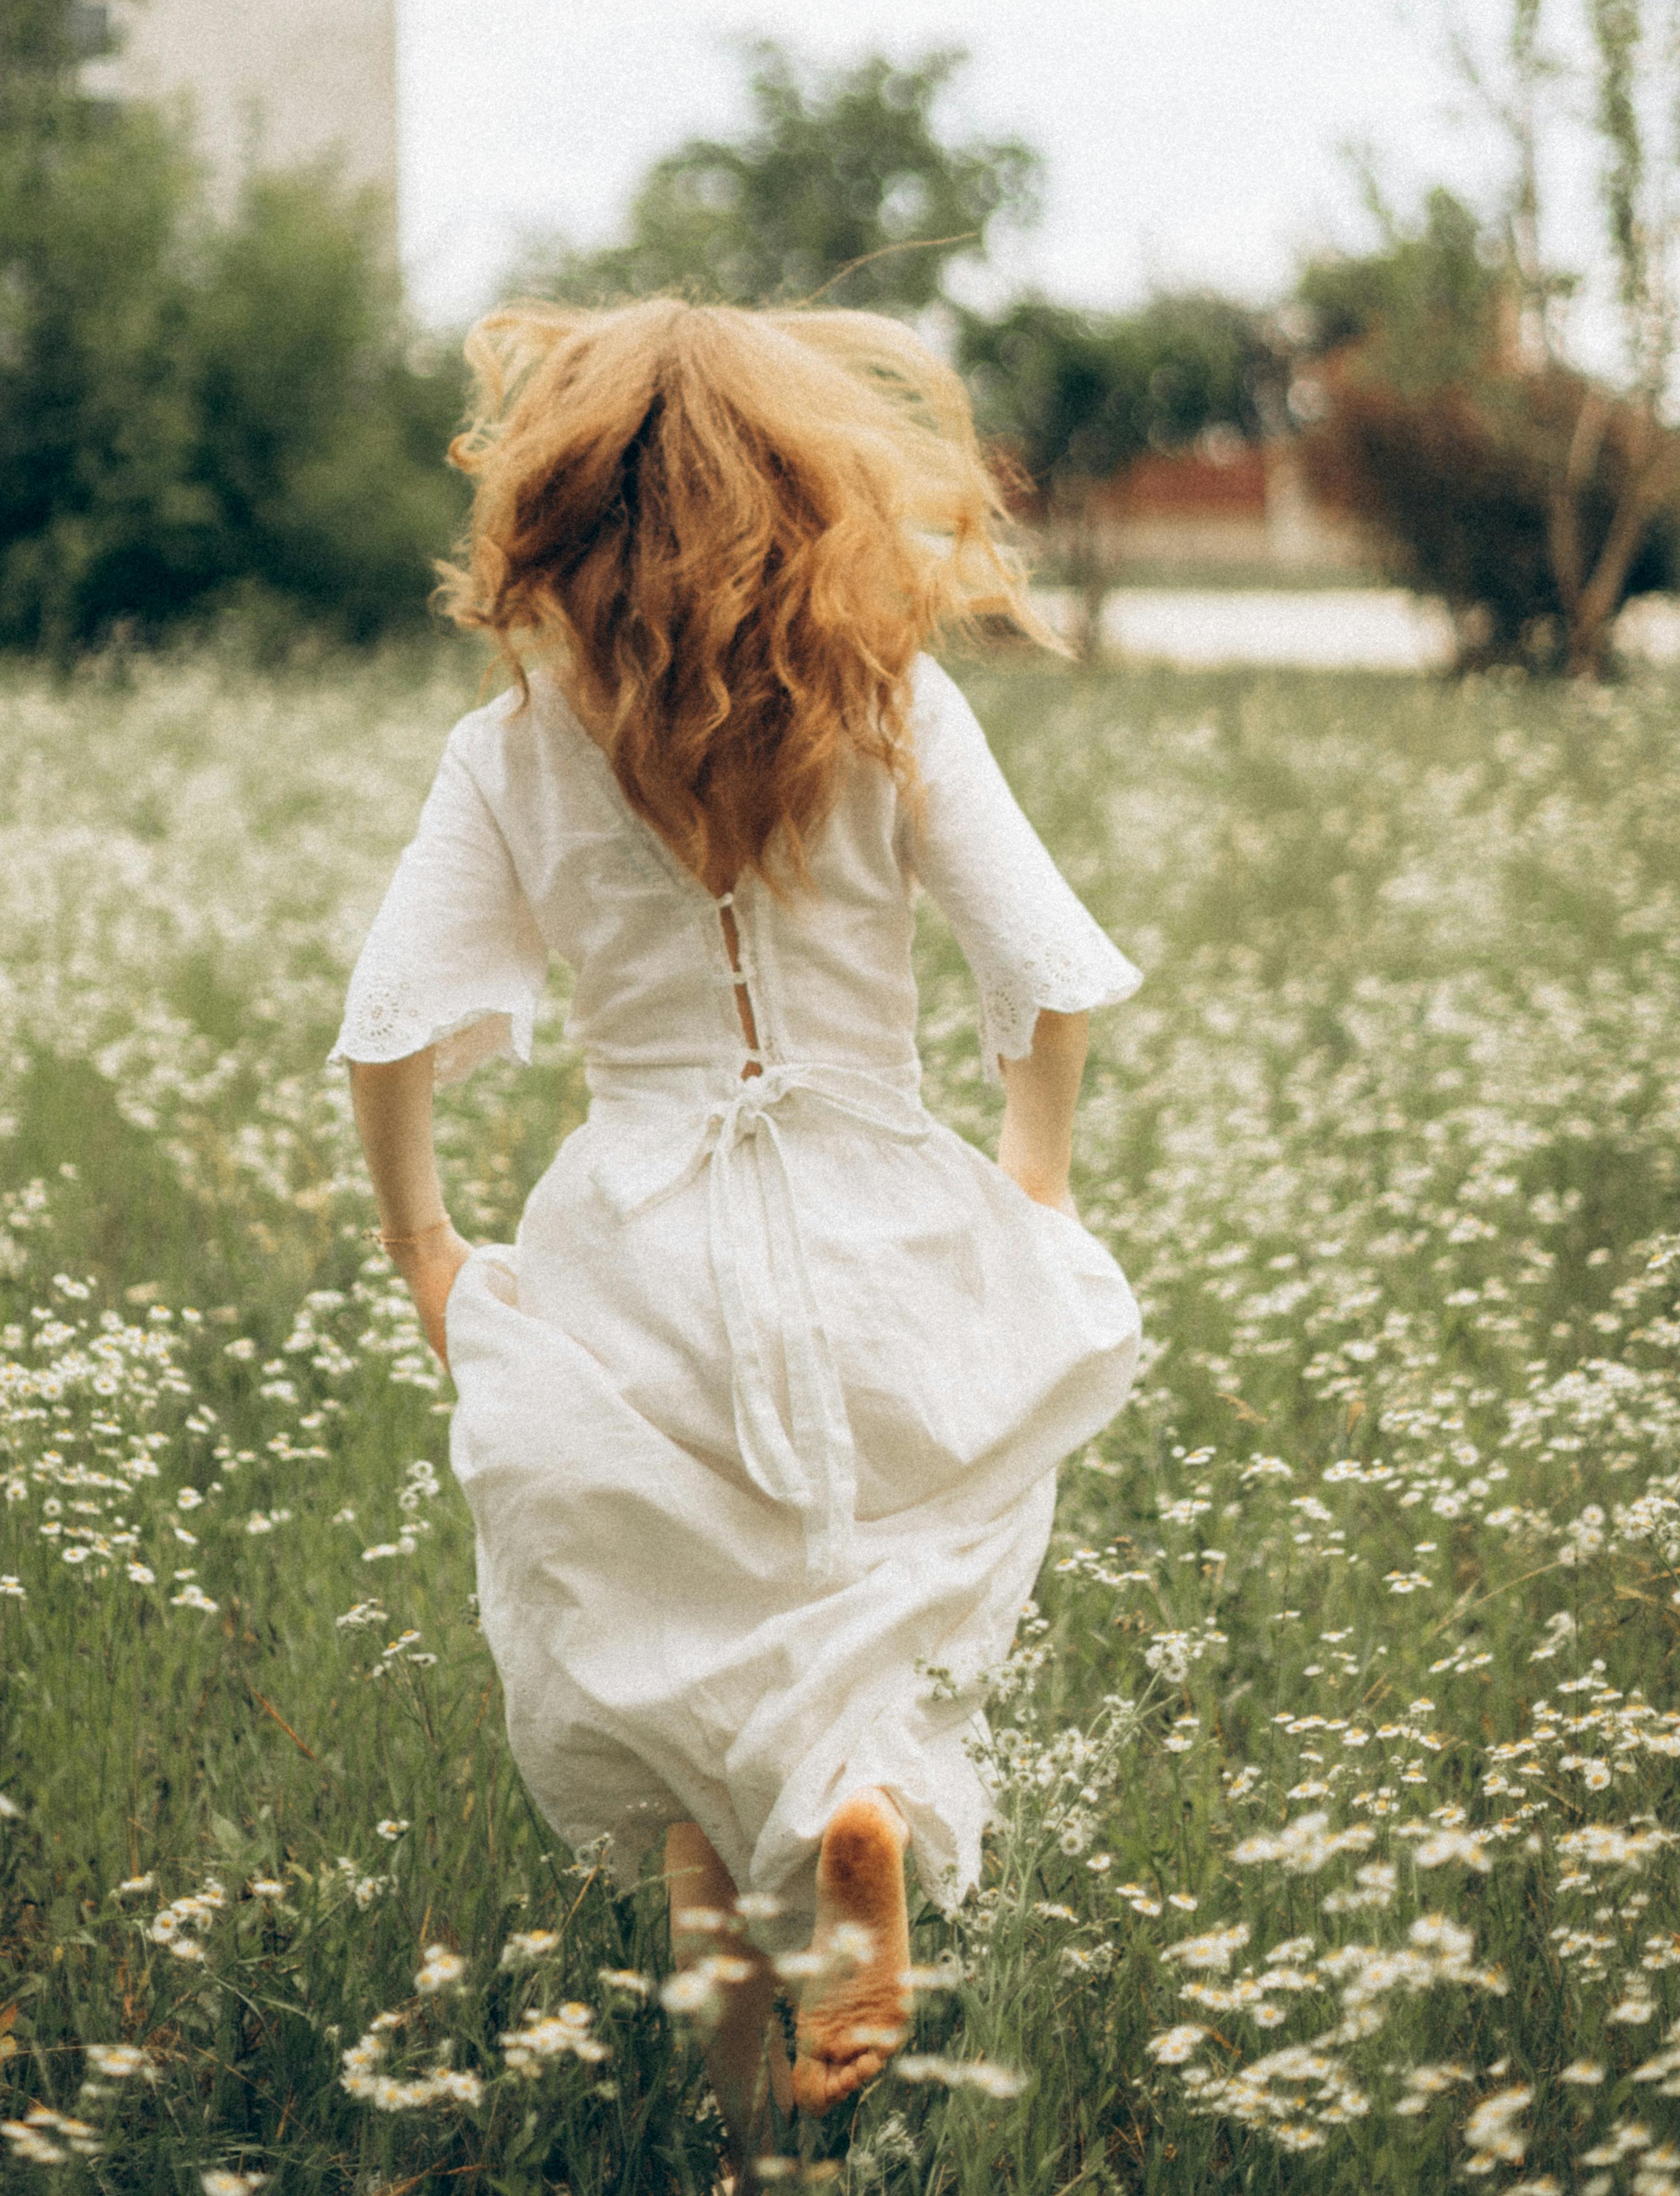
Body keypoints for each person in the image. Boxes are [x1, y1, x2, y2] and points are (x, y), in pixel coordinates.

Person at [334, 298, 1142, 2171]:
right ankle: (862, 1799)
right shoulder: (888, 699)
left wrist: (428, 1252)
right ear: (809, 495)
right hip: (880, 1213)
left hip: (636, 1247)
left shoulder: (521, 748)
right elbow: (1048, 973)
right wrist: (1031, 1187)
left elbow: (391, 1031)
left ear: (551, 514)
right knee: (874, 1576)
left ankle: (739, 2136)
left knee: (667, 1660)